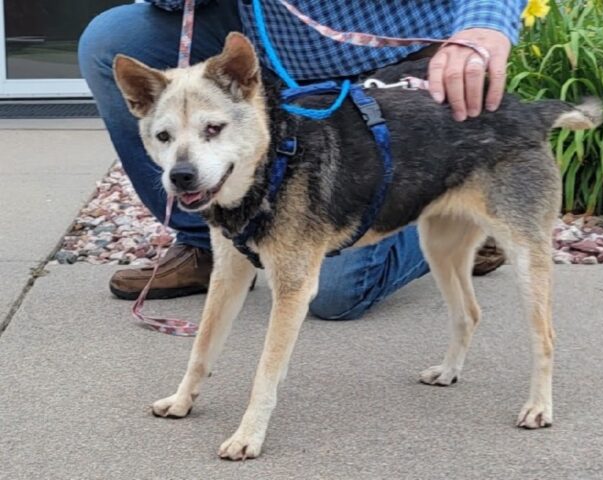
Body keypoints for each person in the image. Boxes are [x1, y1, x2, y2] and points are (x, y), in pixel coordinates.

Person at [78, 0, 521, 320]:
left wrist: (484, 23)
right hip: (268, 45)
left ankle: (461, 213)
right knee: (112, 39)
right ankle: (209, 243)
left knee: (336, 292)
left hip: (396, 54)